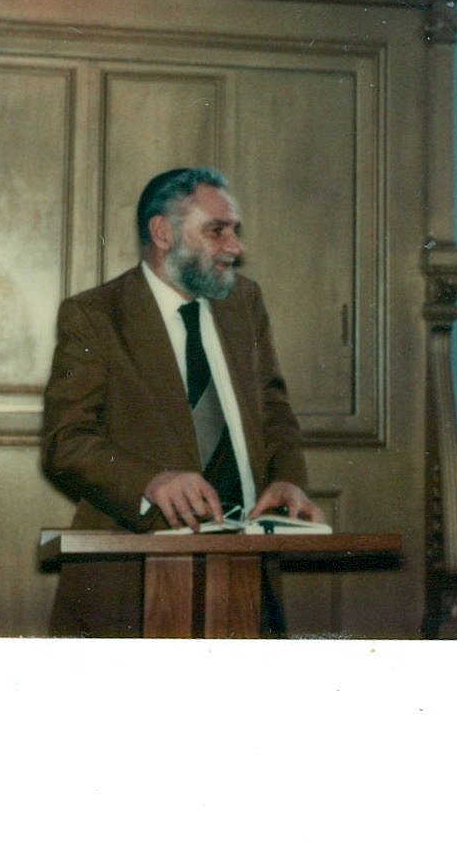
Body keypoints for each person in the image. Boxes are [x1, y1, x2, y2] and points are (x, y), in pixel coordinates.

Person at [42, 166, 324, 636]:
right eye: (217, 231)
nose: (235, 247)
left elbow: (274, 410)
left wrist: (288, 480)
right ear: (162, 233)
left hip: (246, 576)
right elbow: (65, 442)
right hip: (132, 582)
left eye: (234, 231)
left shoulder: (245, 302)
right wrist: (150, 481)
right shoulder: (96, 316)